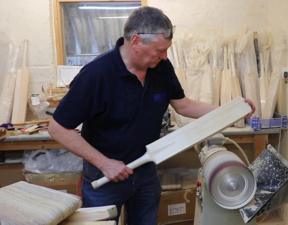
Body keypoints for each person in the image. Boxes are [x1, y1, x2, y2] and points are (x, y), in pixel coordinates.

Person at [48, 6, 255, 225]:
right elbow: (58, 128)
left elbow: (183, 106)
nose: (165, 56)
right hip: (104, 176)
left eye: (166, 50)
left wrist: (233, 109)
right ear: (136, 40)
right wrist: (105, 163)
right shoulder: (96, 75)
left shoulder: (161, 68)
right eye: (159, 50)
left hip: (145, 171)